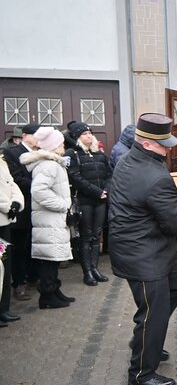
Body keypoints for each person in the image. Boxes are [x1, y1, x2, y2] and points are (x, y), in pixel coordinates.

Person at [108, 113, 177, 385]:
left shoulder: (127, 159)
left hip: (147, 247)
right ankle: (141, 375)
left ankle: (146, 340)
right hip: (143, 253)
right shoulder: (155, 176)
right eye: (163, 145)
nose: (168, 150)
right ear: (145, 143)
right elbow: (175, 223)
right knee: (153, 313)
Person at [20, 126, 75, 309]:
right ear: (54, 146)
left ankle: (53, 291)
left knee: (53, 258)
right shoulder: (50, 165)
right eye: (61, 143)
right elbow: (38, 191)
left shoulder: (52, 163)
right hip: (50, 219)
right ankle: (47, 295)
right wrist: (62, 205)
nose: (64, 146)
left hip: (51, 220)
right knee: (50, 259)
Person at [65, 121, 111, 286]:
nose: (89, 136)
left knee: (96, 234)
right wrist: (97, 192)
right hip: (85, 201)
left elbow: (109, 174)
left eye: (90, 132)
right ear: (77, 137)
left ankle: (95, 268)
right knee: (86, 235)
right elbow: (75, 178)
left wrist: (106, 190)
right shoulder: (72, 153)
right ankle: (87, 272)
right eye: (85, 134)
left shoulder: (99, 153)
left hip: (101, 200)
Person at [4, 123, 40, 301]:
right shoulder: (12, 153)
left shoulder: (41, 153)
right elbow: (16, 179)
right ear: (25, 136)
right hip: (22, 207)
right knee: (19, 247)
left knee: (35, 244)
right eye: (36, 135)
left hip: (38, 207)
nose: (39, 139)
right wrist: (41, 186)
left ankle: (34, 277)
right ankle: (19, 283)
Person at [0, 156, 25, 326]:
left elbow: (12, 184)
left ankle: (4, 308)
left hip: (5, 221)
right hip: (3, 213)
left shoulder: (2, 162)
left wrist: (16, 202)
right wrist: (7, 206)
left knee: (5, 265)